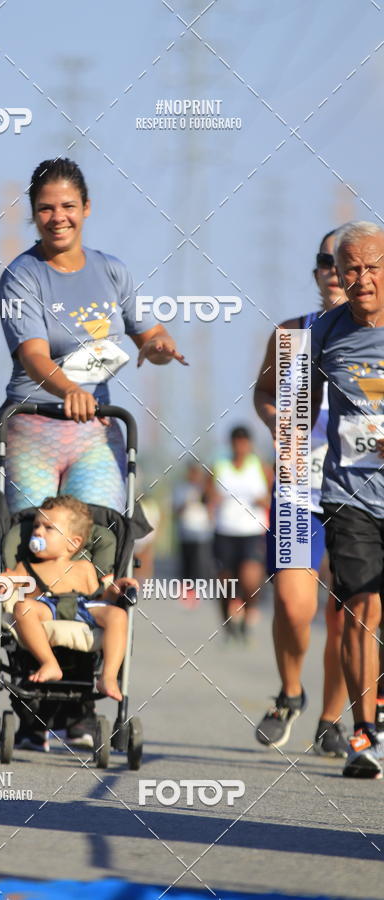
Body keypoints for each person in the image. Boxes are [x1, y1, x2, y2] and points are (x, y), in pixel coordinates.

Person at [0, 157, 185, 748]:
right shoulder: (22, 276)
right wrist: (69, 391)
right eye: (46, 207)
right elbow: (34, 356)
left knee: (98, 554)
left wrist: (159, 342)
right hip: (32, 428)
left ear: (86, 210)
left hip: (97, 433)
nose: (57, 217)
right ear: (33, 214)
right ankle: (29, 705)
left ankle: (82, 703)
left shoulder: (113, 272)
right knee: (33, 555)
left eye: (68, 206)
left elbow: (143, 331)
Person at [253, 228, 348, 755]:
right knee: (293, 605)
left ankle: (332, 719)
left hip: (360, 492)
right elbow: (264, 392)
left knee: (347, 613)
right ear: (316, 271)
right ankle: (291, 693)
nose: (335, 270)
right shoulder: (290, 335)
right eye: (326, 260)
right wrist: (276, 422)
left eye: (348, 262)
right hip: (297, 489)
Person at [310, 221, 384, 777]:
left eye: (374, 266)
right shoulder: (322, 333)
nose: (363, 280)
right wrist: (289, 451)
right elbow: (291, 404)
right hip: (348, 493)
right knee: (361, 608)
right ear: (337, 275)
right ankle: (363, 736)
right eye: (351, 268)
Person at [3, 495, 135, 705]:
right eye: (36, 525)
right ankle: (49, 663)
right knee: (23, 607)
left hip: (83, 606)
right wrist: (5, 581)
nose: (37, 531)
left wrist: (116, 589)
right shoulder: (27, 567)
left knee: (118, 615)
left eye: (48, 528)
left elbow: (99, 596)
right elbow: (12, 581)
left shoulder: (84, 567)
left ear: (73, 543)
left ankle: (108, 677)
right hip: (47, 606)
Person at [207, 425, 272, 638]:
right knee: (225, 581)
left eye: (244, 442)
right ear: (232, 443)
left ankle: (248, 609)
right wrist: (211, 502)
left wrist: (263, 500)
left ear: (249, 444)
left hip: (251, 531)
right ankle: (227, 618)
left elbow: (273, 496)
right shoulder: (220, 466)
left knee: (250, 578)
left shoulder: (259, 467)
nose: (240, 446)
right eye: (237, 442)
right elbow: (207, 495)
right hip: (225, 530)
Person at [173, 460, 213, 606]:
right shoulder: (181, 488)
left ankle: (196, 592)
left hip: (202, 533)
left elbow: (211, 507)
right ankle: (185, 593)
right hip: (185, 532)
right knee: (186, 564)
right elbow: (176, 510)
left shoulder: (205, 489)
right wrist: (188, 502)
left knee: (200, 564)